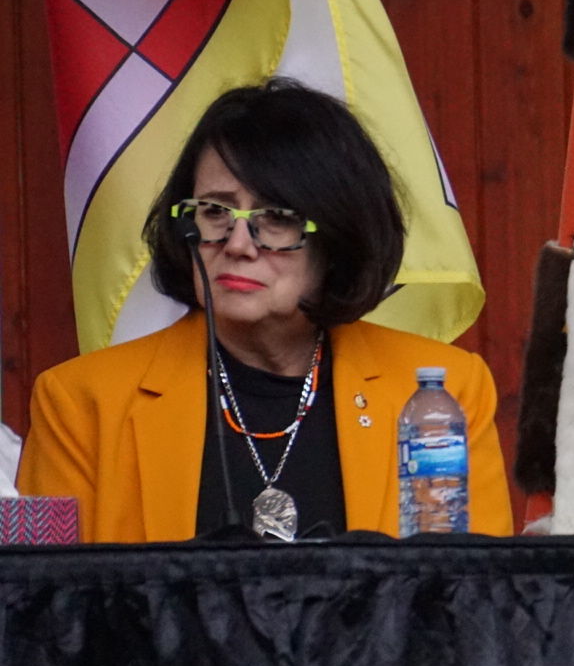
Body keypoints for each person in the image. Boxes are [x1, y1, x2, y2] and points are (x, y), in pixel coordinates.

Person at [17, 80, 512, 542]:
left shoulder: (447, 394)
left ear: (338, 237)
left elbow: (479, 594)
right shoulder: (79, 404)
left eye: (276, 218)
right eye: (215, 211)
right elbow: (42, 598)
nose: (238, 244)